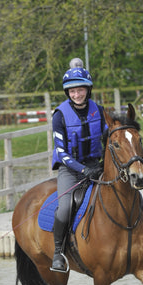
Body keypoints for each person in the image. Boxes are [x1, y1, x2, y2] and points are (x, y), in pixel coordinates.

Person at [51, 58, 106, 272]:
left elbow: (108, 139)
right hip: (71, 170)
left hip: (95, 165)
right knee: (65, 208)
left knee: (127, 193)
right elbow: (62, 153)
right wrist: (84, 170)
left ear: (88, 90)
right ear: (68, 93)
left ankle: (140, 242)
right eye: (72, 91)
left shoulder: (99, 111)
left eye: (80, 90)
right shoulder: (59, 116)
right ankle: (58, 253)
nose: (77, 95)